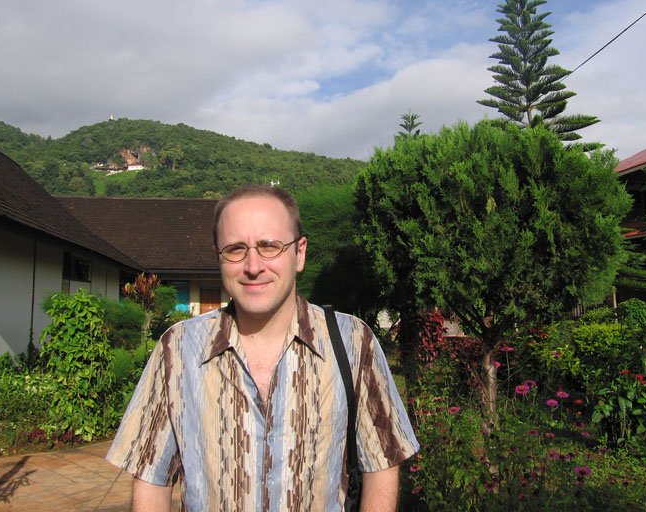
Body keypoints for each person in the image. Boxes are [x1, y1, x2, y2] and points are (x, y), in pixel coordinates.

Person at [107, 184, 419, 511]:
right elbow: (152, 479)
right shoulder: (177, 350)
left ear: (299, 253)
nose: (253, 266)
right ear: (219, 257)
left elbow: (381, 465)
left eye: (269, 246)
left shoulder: (352, 341)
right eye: (235, 249)